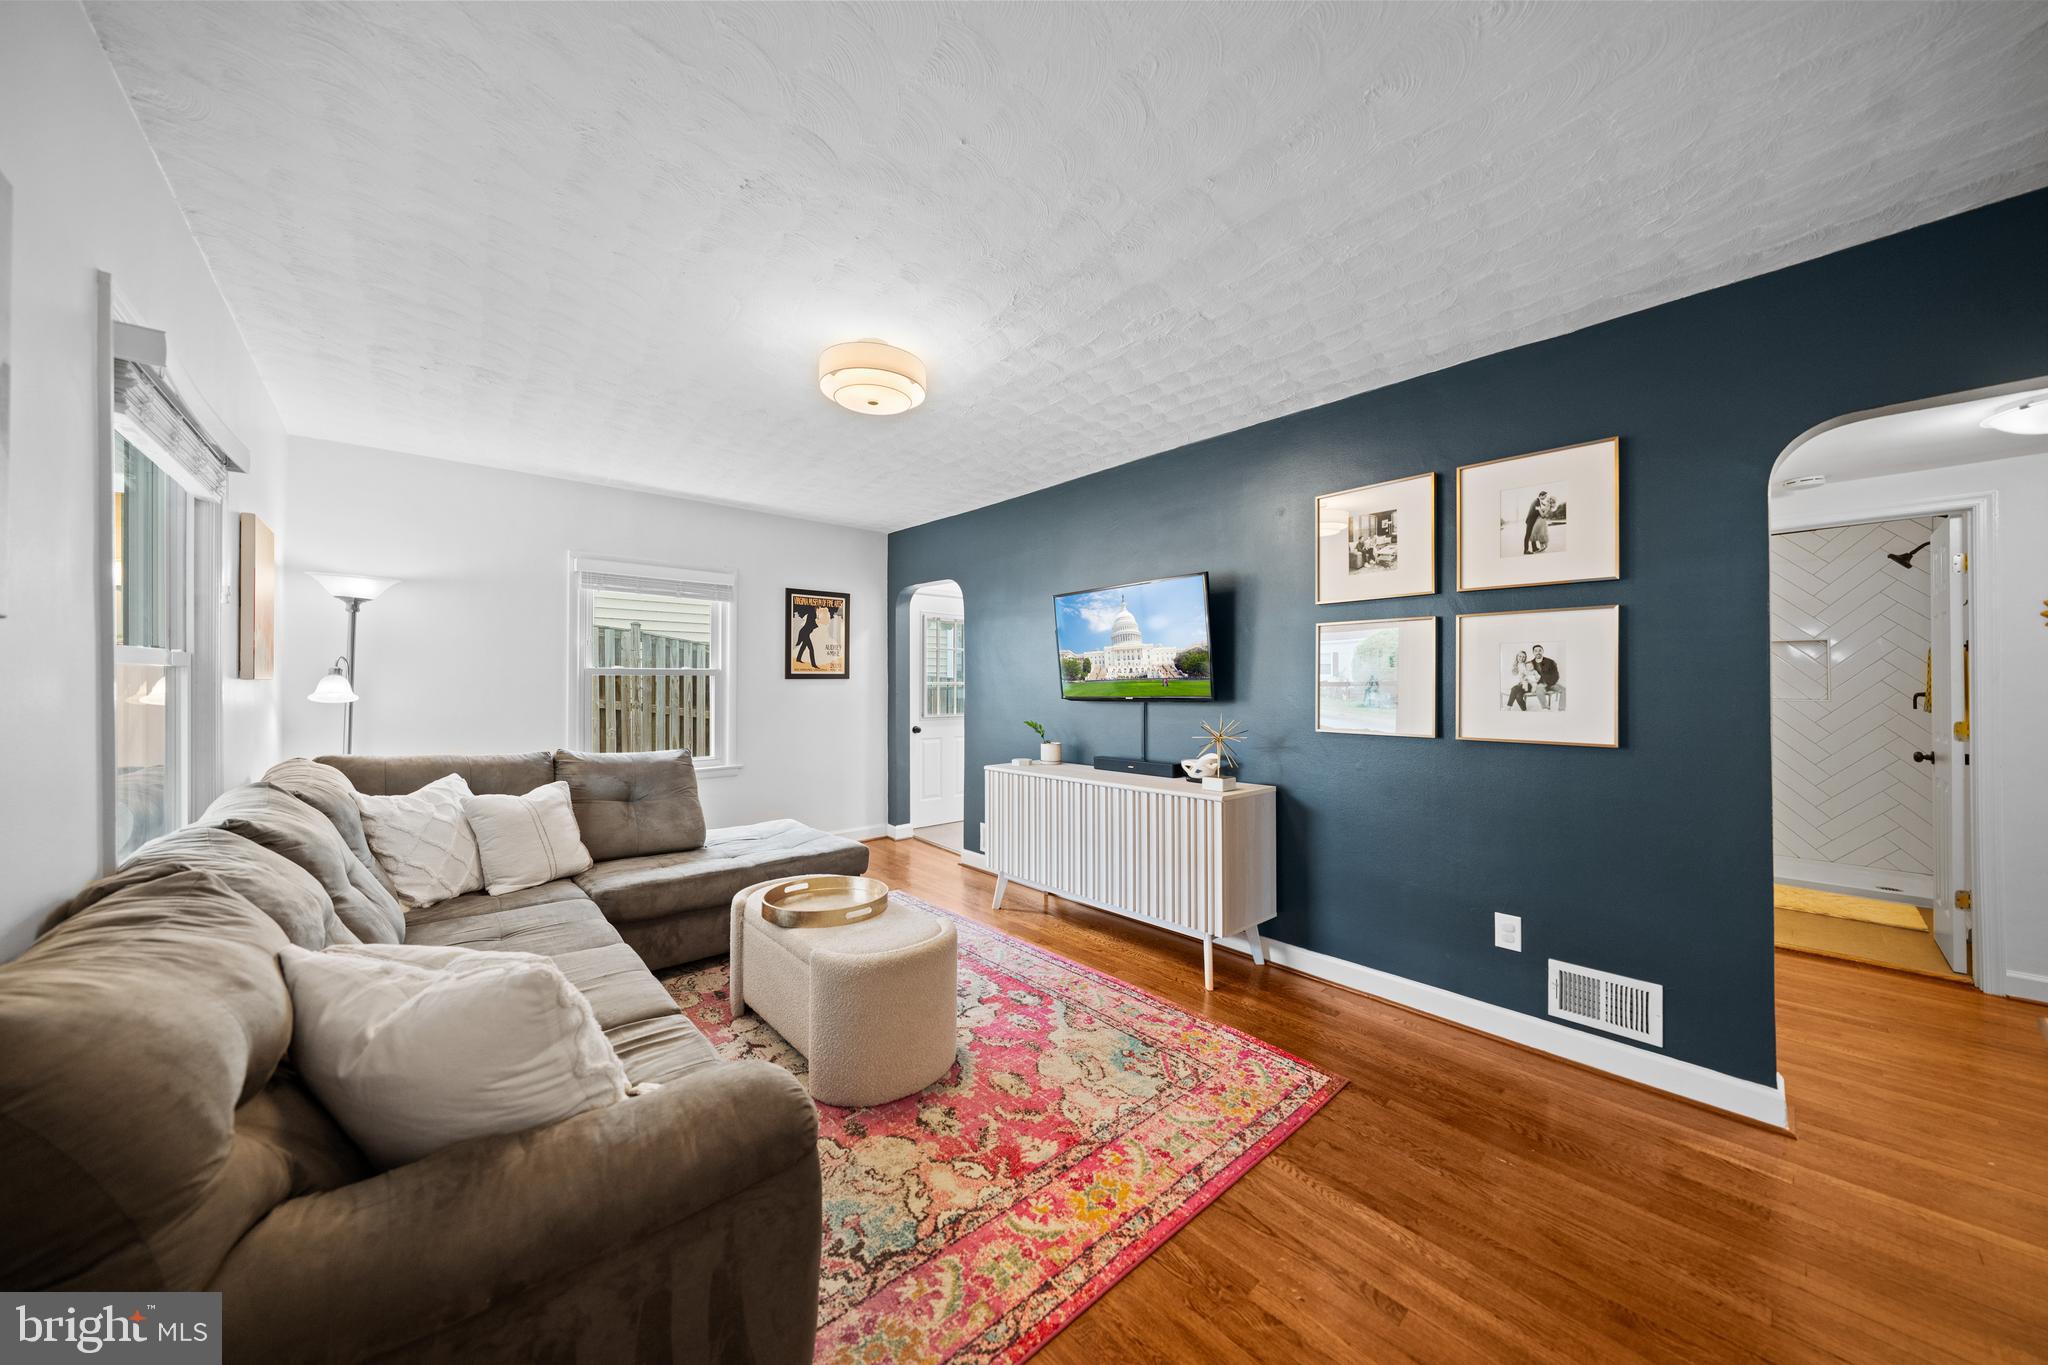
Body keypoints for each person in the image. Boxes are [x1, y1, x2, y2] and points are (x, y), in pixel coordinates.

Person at [793, 604, 819, 670]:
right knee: (811, 649)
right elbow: (812, 622)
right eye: (816, 607)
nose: (817, 608)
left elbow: (813, 621)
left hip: (804, 633)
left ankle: (798, 658)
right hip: (804, 633)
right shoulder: (811, 614)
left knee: (803, 646)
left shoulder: (812, 614)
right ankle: (813, 664)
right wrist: (816, 623)